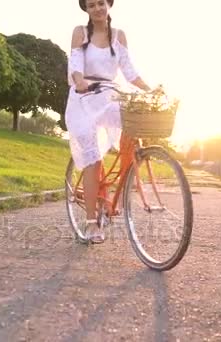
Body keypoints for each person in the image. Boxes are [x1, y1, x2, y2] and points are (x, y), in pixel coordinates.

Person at [65, 0, 151, 244]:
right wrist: (80, 81)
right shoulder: (80, 32)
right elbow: (75, 64)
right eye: (91, 5)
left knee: (137, 122)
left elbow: (130, 72)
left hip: (109, 95)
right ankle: (92, 223)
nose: (97, 9)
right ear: (87, 9)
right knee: (92, 159)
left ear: (108, 5)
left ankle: (122, 188)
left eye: (101, 3)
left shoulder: (119, 36)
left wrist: (150, 89)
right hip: (83, 99)